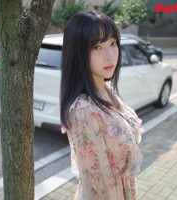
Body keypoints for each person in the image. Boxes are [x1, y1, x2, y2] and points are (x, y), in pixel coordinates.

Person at [60, 10, 143, 200]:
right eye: (97, 47)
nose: (110, 55)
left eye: (113, 43)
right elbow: (97, 185)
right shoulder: (84, 110)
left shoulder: (105, 91)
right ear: (78, 53)